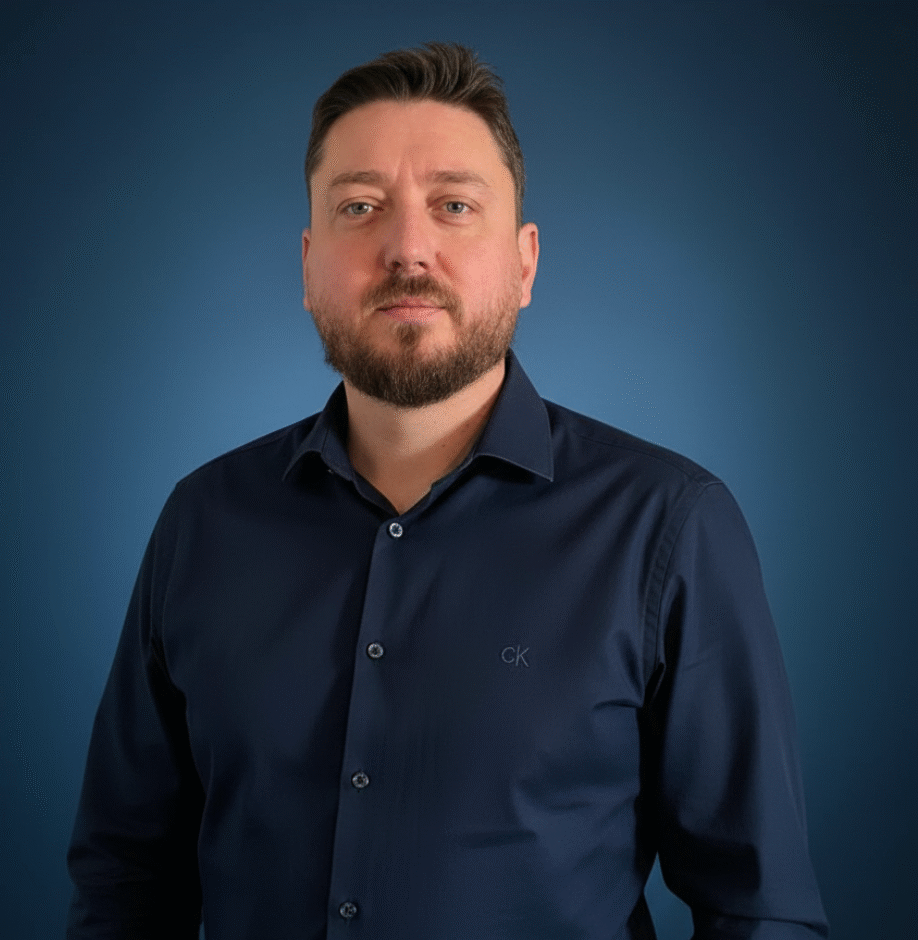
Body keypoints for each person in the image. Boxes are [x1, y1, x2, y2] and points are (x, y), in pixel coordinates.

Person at [66, 42, 829, 939]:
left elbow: (758, 911)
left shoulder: (669, 526)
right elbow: (125, 879)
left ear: (525, 263)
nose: (407, 249)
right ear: (308, 267)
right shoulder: (201, 522)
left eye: (454, 206)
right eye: (360, 207)